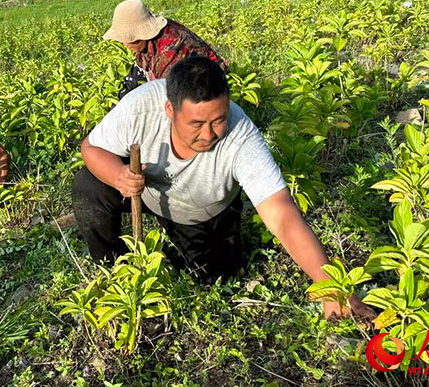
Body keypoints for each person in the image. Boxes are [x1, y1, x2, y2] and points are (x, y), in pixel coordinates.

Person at [72, 57, 373, 319]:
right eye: (196, 123)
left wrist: (331, 289)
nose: (209, 134)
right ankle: (111, 267)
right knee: (89, 186)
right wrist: (119, 175)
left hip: (202, 211)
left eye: (219, 120)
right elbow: (91, 148)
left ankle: (171, 249)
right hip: (148, 192)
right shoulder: (140, 107)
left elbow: (281, 213)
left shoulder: (241, 135)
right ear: (169, 109)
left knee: (216, 277)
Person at [103, 0, 228, 99]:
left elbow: (166, 95)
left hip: (208, 88)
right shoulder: (147, 43)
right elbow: (136, 76)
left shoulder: (172, 48)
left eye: (131, 39)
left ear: (144, 34)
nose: (125, 44)